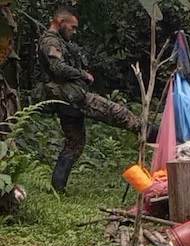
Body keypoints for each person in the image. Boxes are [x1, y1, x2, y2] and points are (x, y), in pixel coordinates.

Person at [37, 4, 154, 193]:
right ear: (60, 22)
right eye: (72, 27)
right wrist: (82, 74)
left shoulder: (55, 40)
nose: (74, 32)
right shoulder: (51, 42)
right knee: (117, 112)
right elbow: (57, 68)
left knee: (74, 143)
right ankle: (154, 133)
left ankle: (57, 187)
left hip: (68, 98)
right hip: (71, 96)